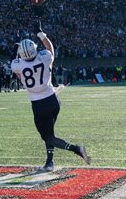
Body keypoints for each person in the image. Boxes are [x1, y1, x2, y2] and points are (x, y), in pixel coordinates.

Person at [11, 24, 91, 172]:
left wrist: (17, 49)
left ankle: (77, 149)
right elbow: (50, 49)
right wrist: (41, 34)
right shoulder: (44, 57)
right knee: (50, 133)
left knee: (48, 137)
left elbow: (18, 72)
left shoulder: (17, 65)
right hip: (53, 99)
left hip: (39, 104)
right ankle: (49, 162)